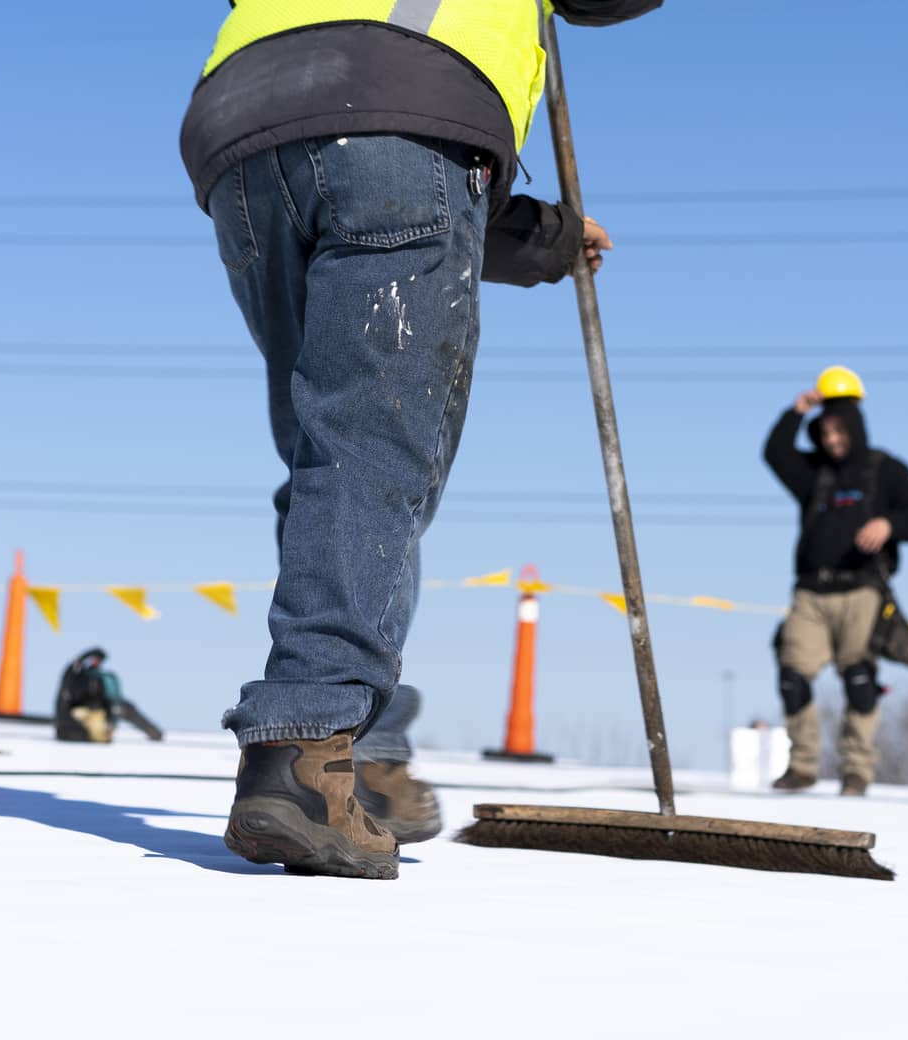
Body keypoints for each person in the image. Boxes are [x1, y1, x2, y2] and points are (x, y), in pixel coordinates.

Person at [181, 0, 662, 880]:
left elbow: (362, 122)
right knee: (369, 453)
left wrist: (544, 239)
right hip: (403, 112)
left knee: (331, 448)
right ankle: (304, 751)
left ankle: (362, 746)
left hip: (244, 128)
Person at [762, 366, 908, 797]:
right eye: (826, 432)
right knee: (792, 674)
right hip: (811, 592)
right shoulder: (814, 473)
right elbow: (775, 453)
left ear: (855, 427)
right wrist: (797, 412)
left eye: (840, 431)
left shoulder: (886, 470)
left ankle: (856, 771)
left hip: (863, 590)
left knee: (859, 678)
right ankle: (802, 766)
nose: (833, 440)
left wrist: (888, 524)